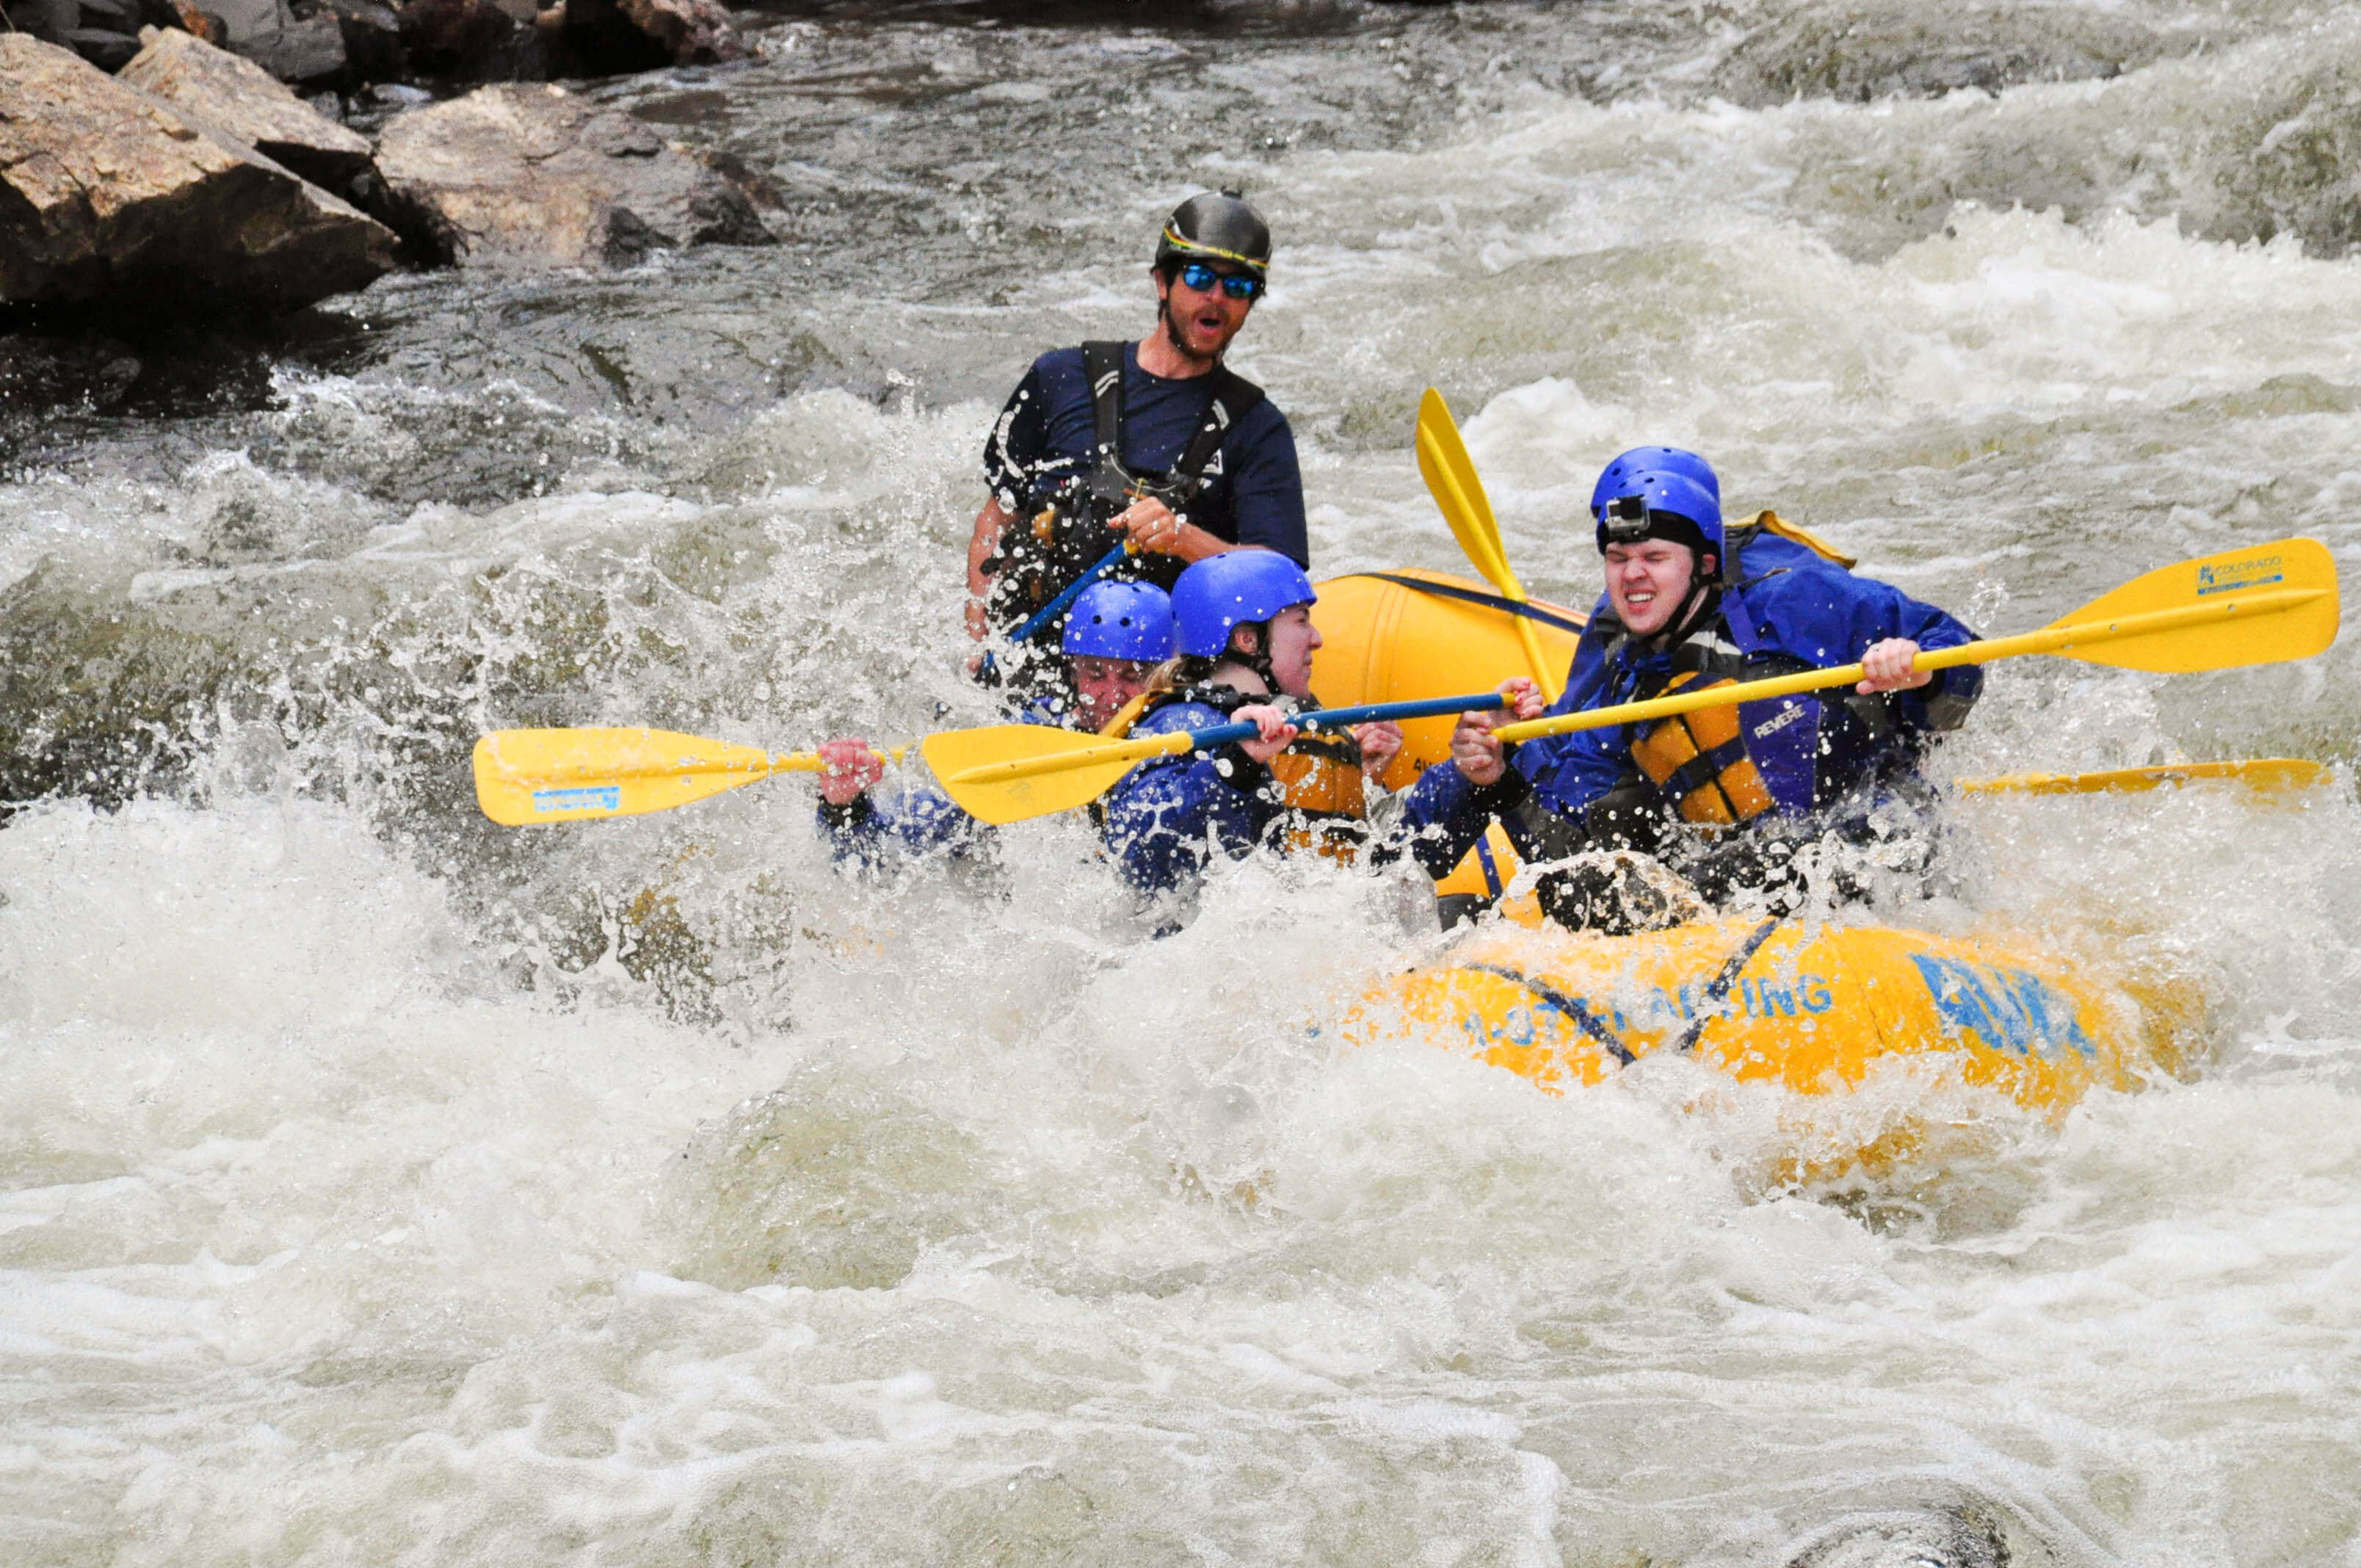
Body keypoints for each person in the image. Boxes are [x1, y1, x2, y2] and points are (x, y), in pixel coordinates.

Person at [1400, 450, 1984, 929]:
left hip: (1877, 847)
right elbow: (1568, 844)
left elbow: (1957, 651)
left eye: (1655, 557)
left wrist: (1918, 667)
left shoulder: (1798, 598)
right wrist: (1494, 777)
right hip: (1738, 881)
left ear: (1703, 563)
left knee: (1782, 858)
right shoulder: (1618, 671)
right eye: (1618, 557)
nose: (1633, 576)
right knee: (1586, 892)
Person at [965, 191, 1308, 688]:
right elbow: (998, 518)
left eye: (1237, 286)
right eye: (1199, 277)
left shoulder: (1258, 429)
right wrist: (979, 648)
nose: (1217, 296)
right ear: (1162, 282)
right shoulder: (1059, 378)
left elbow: (1280, 587)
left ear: (1249, 306)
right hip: (1035, 667)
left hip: (1159, 687)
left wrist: (1183, 539)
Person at [1100, 551, 1401, 895]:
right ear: (1248, 639)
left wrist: (1466, 781)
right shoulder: (1184, 722)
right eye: (1302, 621)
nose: (1316, 638)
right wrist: (1235, 764)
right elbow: (1136, 854)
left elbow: (1394, 859)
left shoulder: (1303, 724)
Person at [815, 579, 1175, 866]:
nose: (1112, 695)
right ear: (1073, 671)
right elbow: (884, 853)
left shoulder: (1179, 733)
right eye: (1095, 673)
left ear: (1164, 676)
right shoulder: (1031, 736)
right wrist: (845, 805)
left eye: (1133, 676)